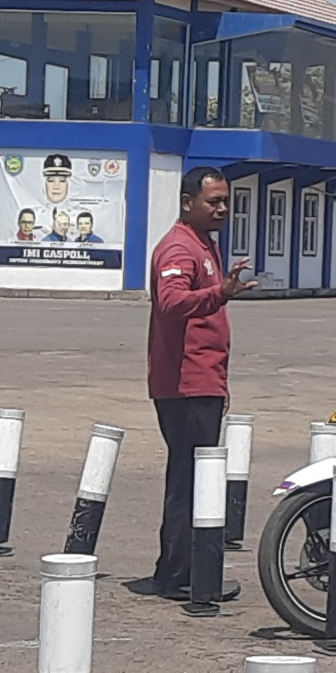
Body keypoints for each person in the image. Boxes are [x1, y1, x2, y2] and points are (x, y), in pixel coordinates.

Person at [130, 166, 258, 599]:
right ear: (188, 203)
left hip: (202, 382)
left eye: (225, 201)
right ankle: (180, 575)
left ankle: (181, 570)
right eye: (213, 201)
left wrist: (219, 385)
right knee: (190, 477)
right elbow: (170, 303)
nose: (222, 208)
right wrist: (219, 293)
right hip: (183, 386)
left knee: (194, 474)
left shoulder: (205, 244)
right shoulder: (179, 248)